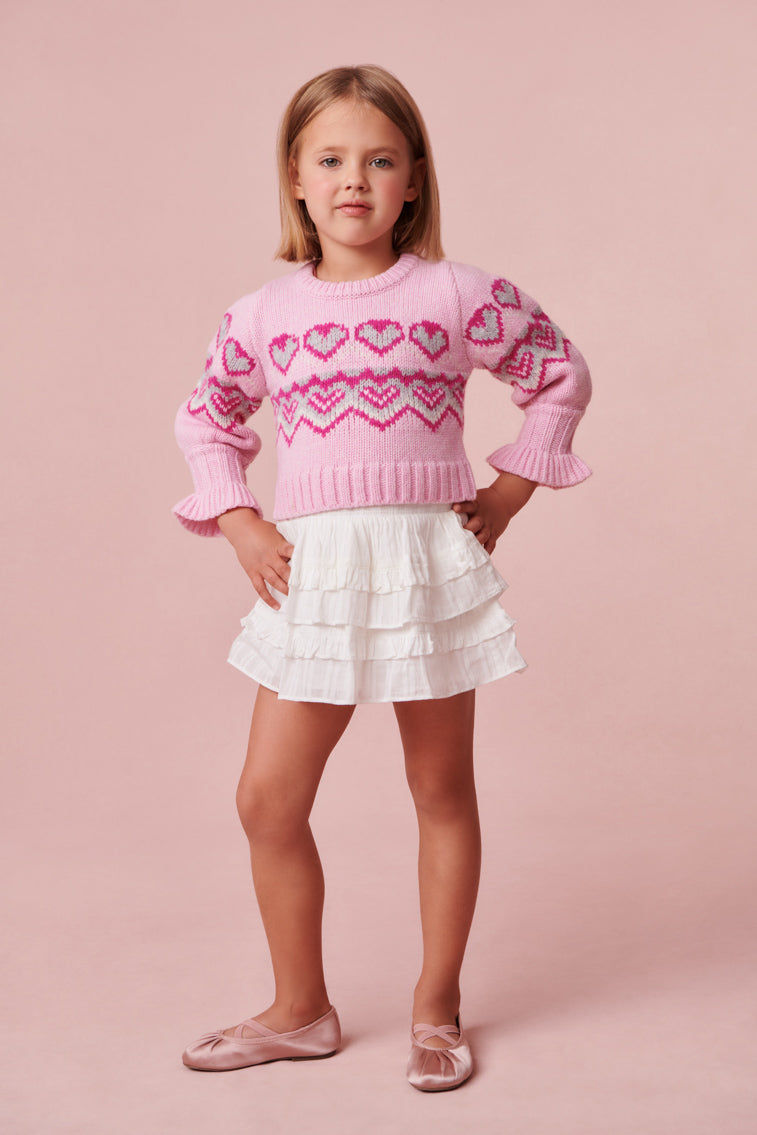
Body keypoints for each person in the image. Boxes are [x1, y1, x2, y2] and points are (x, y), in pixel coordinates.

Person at [172, 63, 592, 1092]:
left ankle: (436, 1005)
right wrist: (239, 520)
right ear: (296, 178)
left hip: (421, 565)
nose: (353, 179)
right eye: (329, 159)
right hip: (314, 575)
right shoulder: (262, 313)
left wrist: (507, 493)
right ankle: (300, 1009)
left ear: (413, 180)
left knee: (439, 788)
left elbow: (557, 373)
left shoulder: (456, 294)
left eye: (378, 160)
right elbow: (206, 417)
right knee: (267, 798)